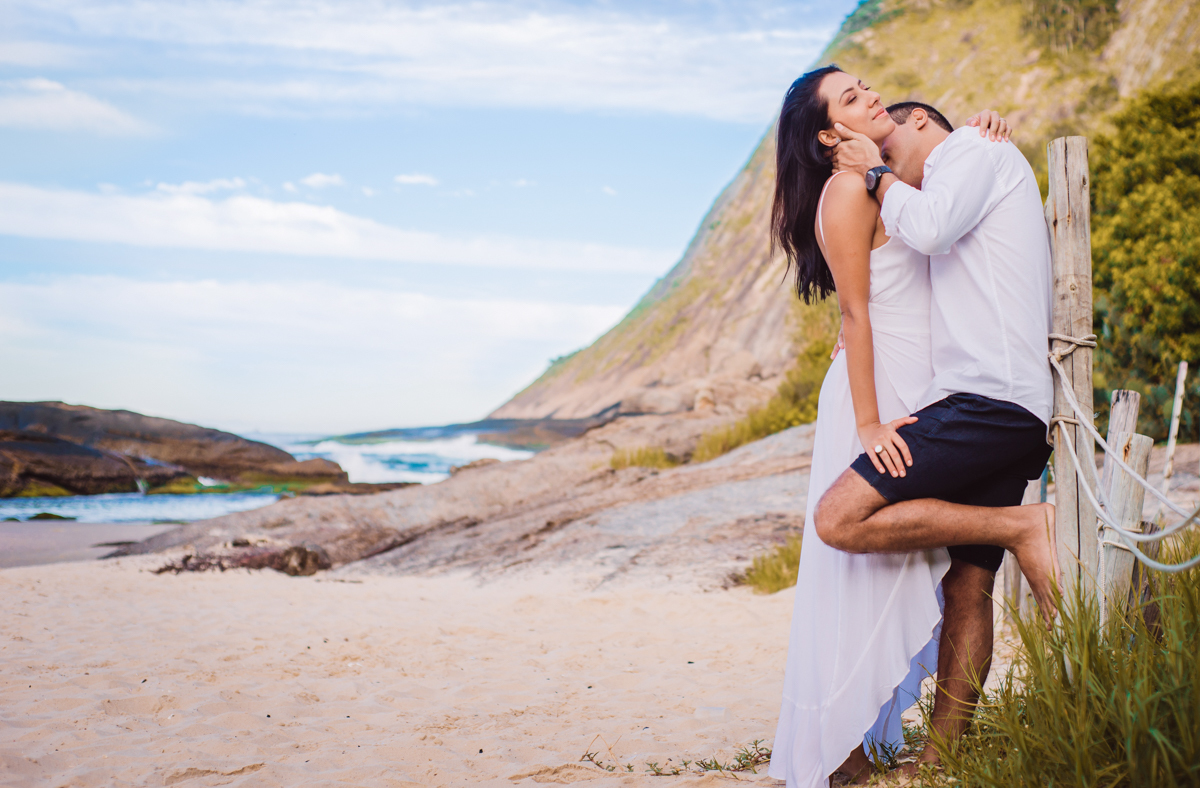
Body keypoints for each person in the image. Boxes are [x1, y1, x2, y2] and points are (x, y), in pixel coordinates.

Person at [765, 64, 1018, 788]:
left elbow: (946, 205)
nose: (871, 96)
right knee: (861, 581)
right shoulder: (847, 190)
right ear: (826, 135)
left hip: (926, 389)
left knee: (931, 576)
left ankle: (903, 748)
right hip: (876, 399)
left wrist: (981, 134)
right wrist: (870, 423)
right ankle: (840, 751)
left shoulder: (881, 179)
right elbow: (855, 315)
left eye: (865, 86)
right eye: (851, 98)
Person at [811, 76, 1061, 775]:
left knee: (839, 517)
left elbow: (928, 225)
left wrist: (879, 173)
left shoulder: (971, 152)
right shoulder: (954, 173)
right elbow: (897, 273)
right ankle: (942, 759)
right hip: (994, 403)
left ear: (920, 122)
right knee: (965, 589)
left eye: (891, 138)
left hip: (989, 401)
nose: (885, 155)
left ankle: (1023, 526)